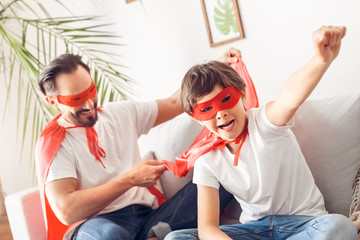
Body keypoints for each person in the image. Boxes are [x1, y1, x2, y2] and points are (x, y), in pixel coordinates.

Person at [165, 26, 358, 239]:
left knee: (339, 227)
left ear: (242, 94)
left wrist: (321, 60)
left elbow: (290, 96)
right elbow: (208, 228)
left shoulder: (265, 123)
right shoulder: (206, 161)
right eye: (207, 109)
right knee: (176, 238)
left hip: (305, 225)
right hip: (254, 231)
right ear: (195, 117)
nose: (220, 114)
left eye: (226, 100)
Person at [35, 50, 238, 240]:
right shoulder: (56, 143)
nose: (89, 104)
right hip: (97, 224)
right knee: (109, 235)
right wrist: (130, 179)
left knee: (224, 174)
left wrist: (218, 65)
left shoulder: (120, 113)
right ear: (53, 102)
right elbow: (66, 210)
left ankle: (153, 234)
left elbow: (176, 103)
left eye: (91, 91)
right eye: (77, 99)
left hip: (149, 216)